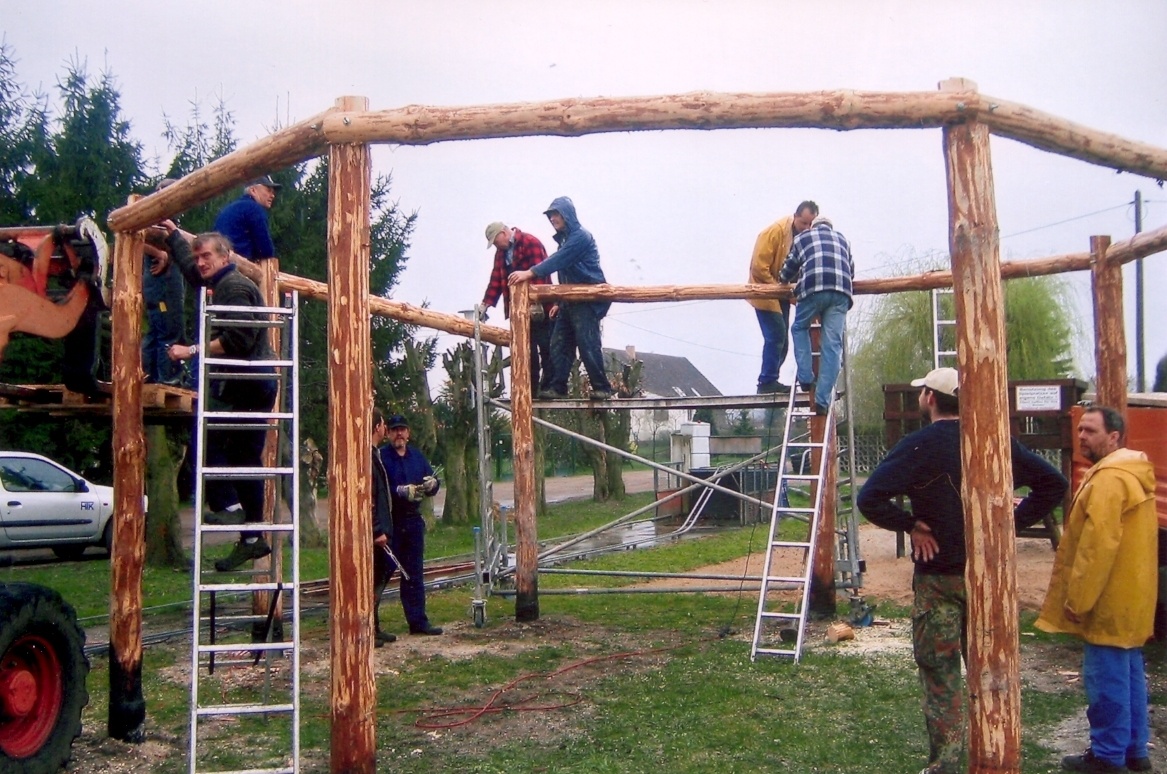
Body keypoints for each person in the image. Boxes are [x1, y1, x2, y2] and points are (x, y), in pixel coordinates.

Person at [856, 367, 1067, 774]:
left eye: (922, 393)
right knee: (992, 671)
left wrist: (911, 525)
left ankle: (946, 763)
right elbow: (1052, 484)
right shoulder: (991, 440)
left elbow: (870, 498)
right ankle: (997, 756)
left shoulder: (917, 446)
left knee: (940, 673)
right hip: (989, 579)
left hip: (938, 580)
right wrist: (1011, 525)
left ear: (931, 399)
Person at [1036, 406, 1157, 773]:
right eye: (1081, 430)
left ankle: (1107, 756)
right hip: (1131, 596)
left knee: (1106, 681)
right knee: (1130, 675)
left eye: (1090, 431)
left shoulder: (1108, 480)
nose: (1082, 437)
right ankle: (1134, 751)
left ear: (1114, 437)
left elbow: (1097, 545)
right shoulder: (1131, 473)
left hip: (1107, 599)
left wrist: (1079, 598)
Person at [166, 230, 278, 572]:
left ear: (225, 258)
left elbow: (239, 339)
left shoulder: (236, 288)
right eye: (198, 257)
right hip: (249, 383)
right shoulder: (220, 281)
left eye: (206, 257)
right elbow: (190, 270)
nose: (200, 263)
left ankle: (231, 508)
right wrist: (172, 235)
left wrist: (192, 350)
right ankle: (251, 538)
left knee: (206, 436)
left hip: (250, 382)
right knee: (244, 458)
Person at [508, 196, 614, 400]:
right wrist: (559, 301)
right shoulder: (565, 239)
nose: (553, 219)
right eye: (550, 216)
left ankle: (603, 388)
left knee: (587, 343)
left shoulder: (580, 237)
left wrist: (530, 273)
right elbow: (565, 273)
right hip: (569, 300)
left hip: (587, 298)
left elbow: (559, 260)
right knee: (559, 343)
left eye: (556, 214)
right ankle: (558, 387)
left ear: (567, 214)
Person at [779, 214, 854, 415]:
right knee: (832, 345)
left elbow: (788, 269)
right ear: (830, 227)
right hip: (840, 294)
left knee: (799, 327)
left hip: (812, 290)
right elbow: (851, 271)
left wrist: (784, 280)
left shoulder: (803, 237)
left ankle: (805, 377)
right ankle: (822, 400)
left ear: (814, 226)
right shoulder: (843, 239)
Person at [379, 414, 443, 635]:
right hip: (390, 523)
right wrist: (399, 491)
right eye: (395, 430)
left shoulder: (417, 456)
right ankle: (372, 625)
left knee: (414, 574)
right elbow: (377, 488)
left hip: (413, 521)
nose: (399, 434)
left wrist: (433, 484)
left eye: (402, 430)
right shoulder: (382, 457)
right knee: (382, 572)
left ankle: (418, 622)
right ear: (388, 433)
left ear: (408, 433)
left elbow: (431, 478)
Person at [748, 201, 818, 394]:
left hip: (783, 291)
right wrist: (779, 288)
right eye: (804, 223)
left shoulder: (804, 237)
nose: (807, 228)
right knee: (776, 335)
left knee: (783, 340)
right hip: (765, 290)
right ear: (795, 217)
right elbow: (758, 267)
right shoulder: (774, 232)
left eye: (810, 224)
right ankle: (767, 381)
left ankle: (771, 377)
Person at [480, 221, 557, 392]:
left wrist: (535, 302)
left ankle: (549, 386)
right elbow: (496, 280)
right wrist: (486, 304)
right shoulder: (501, 253)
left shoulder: (530, 242)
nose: (496, 246)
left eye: (495, 240)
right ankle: (531, 389)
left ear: (503, 233)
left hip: (542, 309)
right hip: (518, 311)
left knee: (546, 347)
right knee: (526, 350)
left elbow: (541, 273)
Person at [142, 179, 187, 385]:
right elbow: (136, 238)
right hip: (161, 285)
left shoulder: (164, 219)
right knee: (168, 330)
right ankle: (167, 379)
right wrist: (160, 253)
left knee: (157, 331)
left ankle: (150, 376)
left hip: (160, 284)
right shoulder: (153, 216)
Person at [370, 408, 396, 647]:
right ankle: (369, 628)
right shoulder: (368, 457)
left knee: (380, 577)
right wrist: (377, 529)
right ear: (378, 427)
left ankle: (374, 627)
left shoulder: (374, 454)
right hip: (375, 534)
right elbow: (369, 498)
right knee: (373, 581)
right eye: (383, 424)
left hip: (383, 529)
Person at [213, 175, 281, 261]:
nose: (272, 195)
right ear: (253, 190)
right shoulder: (254, 209)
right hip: (237, 265)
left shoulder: (231, 207)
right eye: (268, 190)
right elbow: (265, 250)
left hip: (219, 260)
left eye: (273, 192)